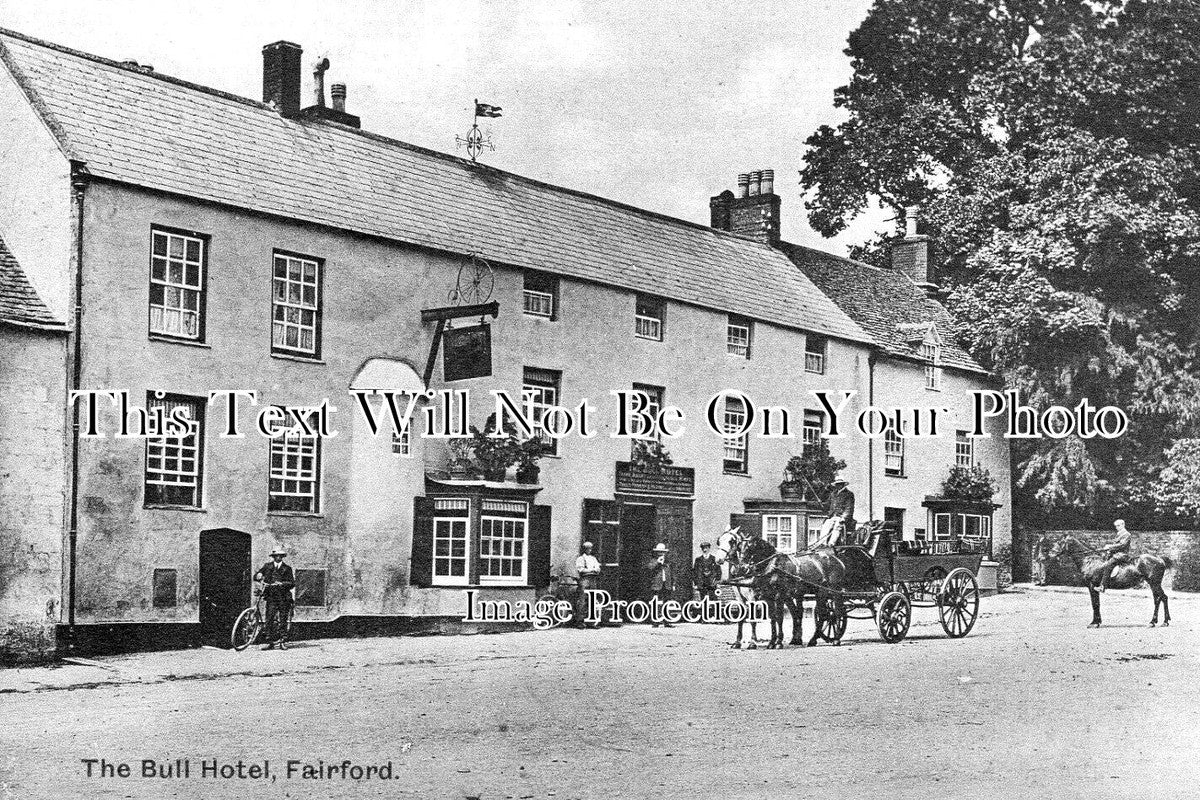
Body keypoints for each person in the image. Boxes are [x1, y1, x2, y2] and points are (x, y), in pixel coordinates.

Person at [254, 546, 295, 649]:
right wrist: (258, 575)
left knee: (283, 619)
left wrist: (281, 583)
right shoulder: (267, 566)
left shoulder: (287, 568)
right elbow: (256, 576)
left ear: (282, 557)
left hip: (283, 597)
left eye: (280, 556)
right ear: (273, 557)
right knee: (269, 618)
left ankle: (282, 641)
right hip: (271, 596)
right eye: (276, 556)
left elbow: (292, 583)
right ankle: (270, 642)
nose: (278, 557)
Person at [815, 477, 856, 547]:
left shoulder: (849, 494)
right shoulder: (833, 494)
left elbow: (849, 507)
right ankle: (822, 543)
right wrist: (821, 503)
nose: (838, 486)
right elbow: (828, 505)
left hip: (841, 517)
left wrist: (844, 517)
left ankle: (831, 543)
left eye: (840, 484)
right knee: (826, 526)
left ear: (843, 485)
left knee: (837, 526)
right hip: (832, 516)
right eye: (837, 484)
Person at [1096, 519, 1133, 592]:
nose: (1117, 527)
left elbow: (1122, 545)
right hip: (1116, 554)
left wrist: (1109, 547)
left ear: (1123, 525)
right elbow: (1116, 545)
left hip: (1122, 555)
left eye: (1118, 525)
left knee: (1108, 565)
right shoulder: (1119, 533)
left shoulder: (1126, 534)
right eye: (1116, 526)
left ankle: (1102, 586)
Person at [645, 543, 674, 627]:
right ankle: (655, 621)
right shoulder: (653, 560)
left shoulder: (668, 562)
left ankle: (666, 621)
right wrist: (658, 562)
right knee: (656, 603)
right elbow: (649, 568)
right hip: (657, 585)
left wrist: (673, 584)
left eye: (663, 552)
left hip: (666, 584)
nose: (661, 553)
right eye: (659, 552)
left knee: (666, 603)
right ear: (657, 552)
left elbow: (672, 574)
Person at [574, 541, 602, 625]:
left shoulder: (593, 558)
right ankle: (580, 621)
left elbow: (597, 568)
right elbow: (581, 569)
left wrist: (595, 569)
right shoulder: (580, 559)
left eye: (590, 548)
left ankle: (592, 621)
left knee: (592, 600)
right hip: (584, 579)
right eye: (587, 548)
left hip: (592, 579)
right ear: (584, 549)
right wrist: (591, 570)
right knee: (582, 600)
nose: (589, 550)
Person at [693, 542, 721, 617]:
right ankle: (704, 617)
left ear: (709, 548)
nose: (705, 550)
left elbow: (719, 571)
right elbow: (695, 572)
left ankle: (716, 616)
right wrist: (696, 584)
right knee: (703, 600)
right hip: (702, 583)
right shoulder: (698, 560)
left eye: (706, 548)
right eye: (703, 548)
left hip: (712, 583)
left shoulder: (714, 559)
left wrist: (717, 582)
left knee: (714, 599)